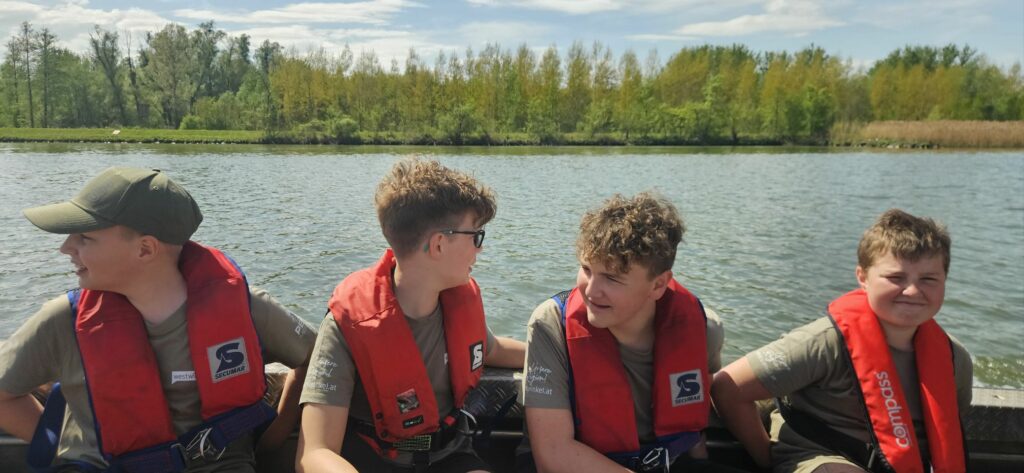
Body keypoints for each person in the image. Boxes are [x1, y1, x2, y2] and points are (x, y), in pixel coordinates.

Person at [0, 167, 316, 472]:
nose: (65, 247)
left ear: (145, 249)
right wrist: (63, 448)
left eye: (84, 237)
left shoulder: (247, 308)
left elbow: (314, 357)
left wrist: (274, 438)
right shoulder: (63, 321)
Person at [296, 158, 526, 473]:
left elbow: (492, 349)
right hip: (374, 461)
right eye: (476, 236)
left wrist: (560, 355)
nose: (479, 249)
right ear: (439, 244)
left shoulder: (457, 305)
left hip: (449, 455)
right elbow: (314, 452)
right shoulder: (348, 325)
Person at [711, 209, 972, 473]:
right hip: (820, 456)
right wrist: (765, 457)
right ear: (863, 277)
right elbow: (728, 387)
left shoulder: (954, 358)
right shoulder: (824, 343)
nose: (913, 291)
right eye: (895, 277)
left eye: (928, 279)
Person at [522, 192, 735, 473]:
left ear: (658, 285)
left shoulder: (704, 328)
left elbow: (695, 423)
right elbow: (553, 454)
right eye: (586, 269)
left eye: (611, 278)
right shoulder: (550, 325)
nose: (591, 290)